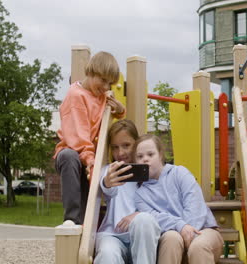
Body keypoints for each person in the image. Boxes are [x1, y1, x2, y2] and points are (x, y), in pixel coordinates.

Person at [54, 51, 126, 224]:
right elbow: (79, 136)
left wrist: (119, 109)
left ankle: (83, 229)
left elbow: (112, 114)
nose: (106, 87)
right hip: (73, 153)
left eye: (110, 83)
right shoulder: (76, 96)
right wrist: (91, 162)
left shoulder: (100, 95)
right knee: (69, 156)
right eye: (103, 80)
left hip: (88, 156)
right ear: (91, 72)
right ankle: (71, 220)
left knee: (88, 209)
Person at [134, 134, 224, 264]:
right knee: (171, 238)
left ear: (160, 155)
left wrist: (188, 233)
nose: (145, 160)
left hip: (202, 231)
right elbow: (155, 218)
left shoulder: (180, 173)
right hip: (174, 240)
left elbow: (195, 206)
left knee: (197, 246)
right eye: (140, 156)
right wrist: (180, 226)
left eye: (150, 154)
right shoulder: (140, 194)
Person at [95, 120, 161, 264]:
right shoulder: (109, 171)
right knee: (107, 253)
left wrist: (139, 214)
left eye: (126, 145)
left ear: (137, 144)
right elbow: (107, 188)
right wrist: (107, 182)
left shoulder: (152, 169)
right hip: (112, 235)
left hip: (143, 236)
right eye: (115, 147)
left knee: (144, 219)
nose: (120, 153)